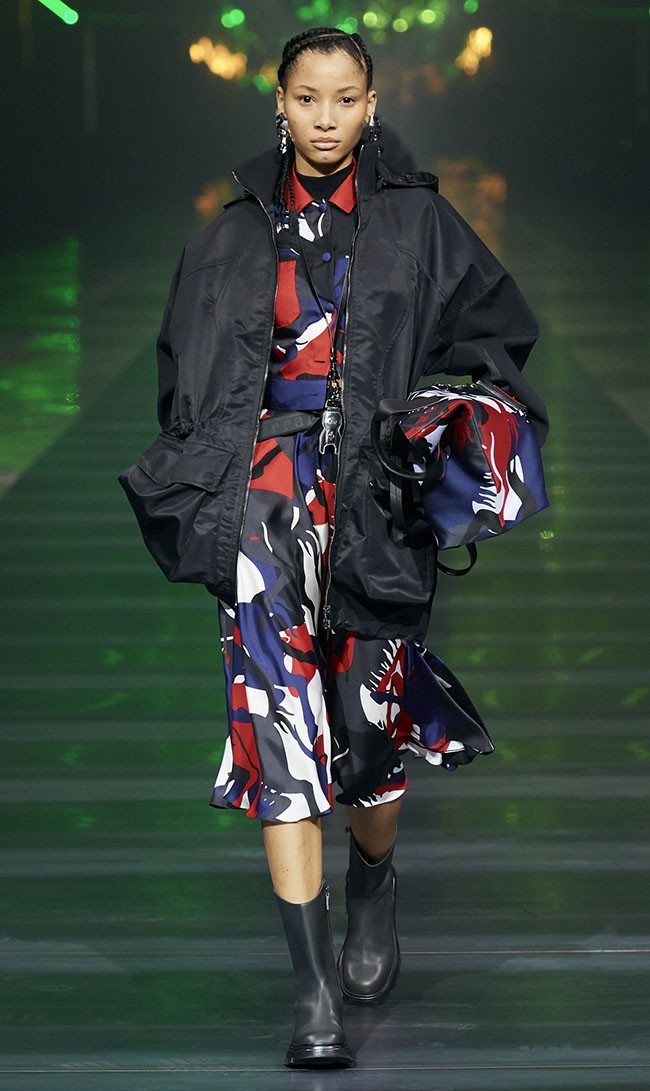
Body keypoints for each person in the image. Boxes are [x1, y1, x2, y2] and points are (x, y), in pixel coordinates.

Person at [124, 26, 548, 1071]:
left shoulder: (420, 222)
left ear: (371, 104)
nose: (324, 117)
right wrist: (208, 470)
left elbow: (495, 338)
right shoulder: (232, 232)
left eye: (344, 98)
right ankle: (311, 992)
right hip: (263, 507)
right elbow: (183, 375)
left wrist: (440, 418)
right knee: (276, 730)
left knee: (368, 734)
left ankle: (373, 879)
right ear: (279, 102)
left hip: (375, 501)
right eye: (306, 98)